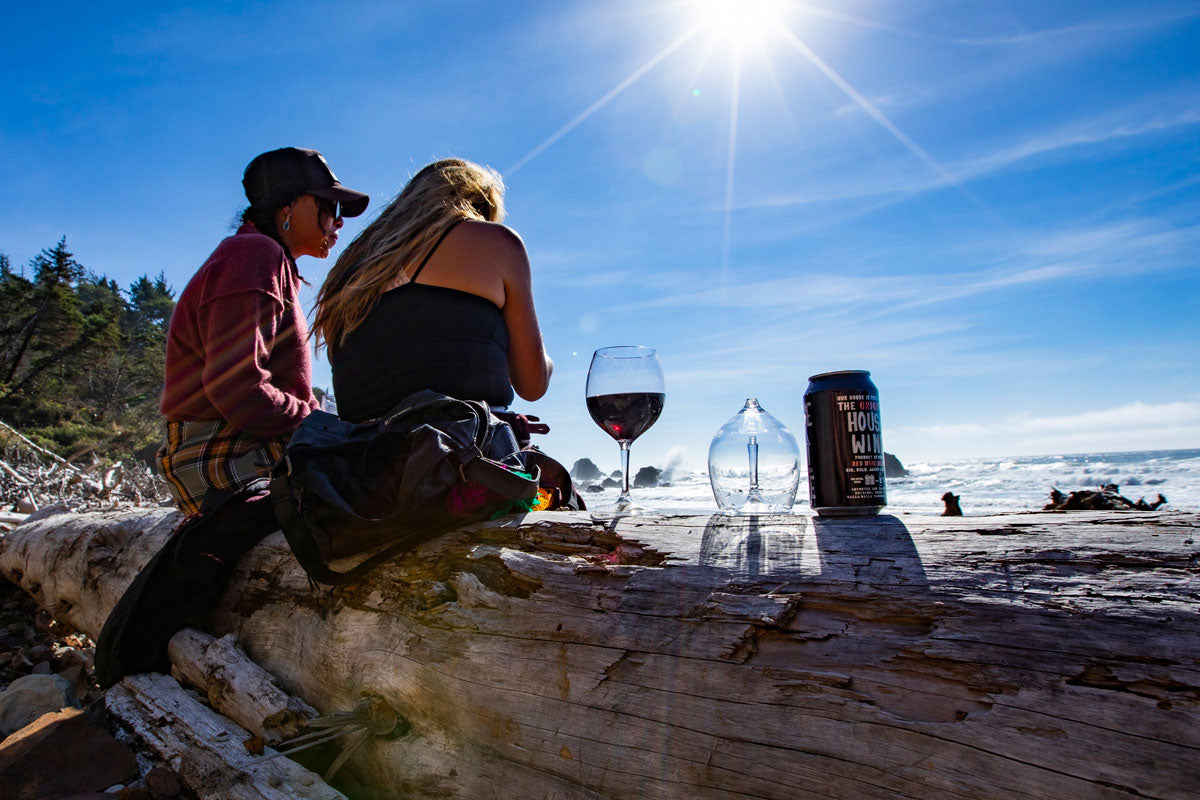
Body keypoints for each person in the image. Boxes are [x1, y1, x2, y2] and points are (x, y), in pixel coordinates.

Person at [158, 147, 369, 516]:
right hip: (226, 453)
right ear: (288, 206)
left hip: (242, 445)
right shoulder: (254, 254)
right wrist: (316, 423)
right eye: (330, 206)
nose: (338, 221)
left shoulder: (263, 258)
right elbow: (237, 387)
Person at [311, 158, 552, 438]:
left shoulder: (348, 272)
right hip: (460, 453)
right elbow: (533, 385)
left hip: (357, 455)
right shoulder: (497, 243)